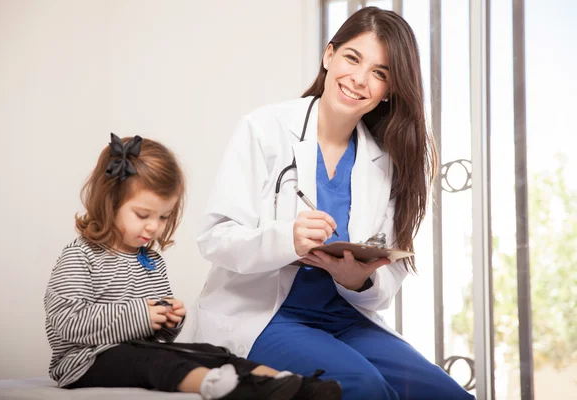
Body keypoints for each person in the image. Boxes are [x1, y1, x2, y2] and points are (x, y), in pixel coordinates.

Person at [195, 6, 474, 400]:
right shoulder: (265, 129)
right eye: (352, 58)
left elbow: (386, 280)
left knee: (447, 395)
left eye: (379, 73)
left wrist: (357, 280)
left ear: (389, 91)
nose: (359, 79)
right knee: (364, 387)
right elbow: (215, 238)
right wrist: (285, 239)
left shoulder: (384, 162)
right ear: (329, 56)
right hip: (266, 315)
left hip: (344, 319)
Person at [43, 133, 342, 400]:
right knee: (159, 363)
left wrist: (169, 321)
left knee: (211, 352)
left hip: (138, 351)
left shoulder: (151, 261)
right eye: (143, 214)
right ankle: (235, 389)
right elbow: (65, 323)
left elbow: (155, 337)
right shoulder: (81, 256)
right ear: (110, 202)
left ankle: (287, 383)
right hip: (84, 362)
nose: (154, 227)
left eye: (163, 217)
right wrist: (142, 315)